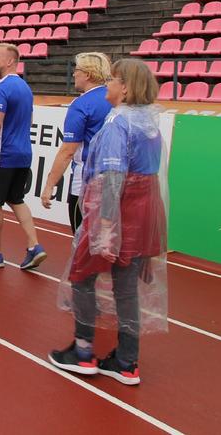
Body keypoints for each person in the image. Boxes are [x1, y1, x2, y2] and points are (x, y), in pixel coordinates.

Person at [49, 58, 169, 387]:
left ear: (126, 88)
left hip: (117, 211)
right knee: (126, 289)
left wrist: (104, 225)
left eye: (114, 80)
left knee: (82, 276)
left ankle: (84, 351)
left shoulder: (119, 123)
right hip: (145, 210)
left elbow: (113, 177)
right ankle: (127, 361)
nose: (109, 85)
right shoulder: (149, 122)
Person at [0, 44, 46, 271]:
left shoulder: (0, 88)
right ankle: (34, 245)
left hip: (3, 156)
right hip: (23, 153)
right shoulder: (25, 88)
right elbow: (27, 120)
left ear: (10, 61)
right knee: (16, 199)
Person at [41, 53, 113, 232]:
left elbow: (67, 151)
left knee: (82, 237)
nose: (74, 74)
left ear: (87, 74)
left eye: (77, 70)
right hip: (114, 177)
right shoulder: (115, 98)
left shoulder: (81, 104)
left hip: (85, 179)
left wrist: (50, 184)